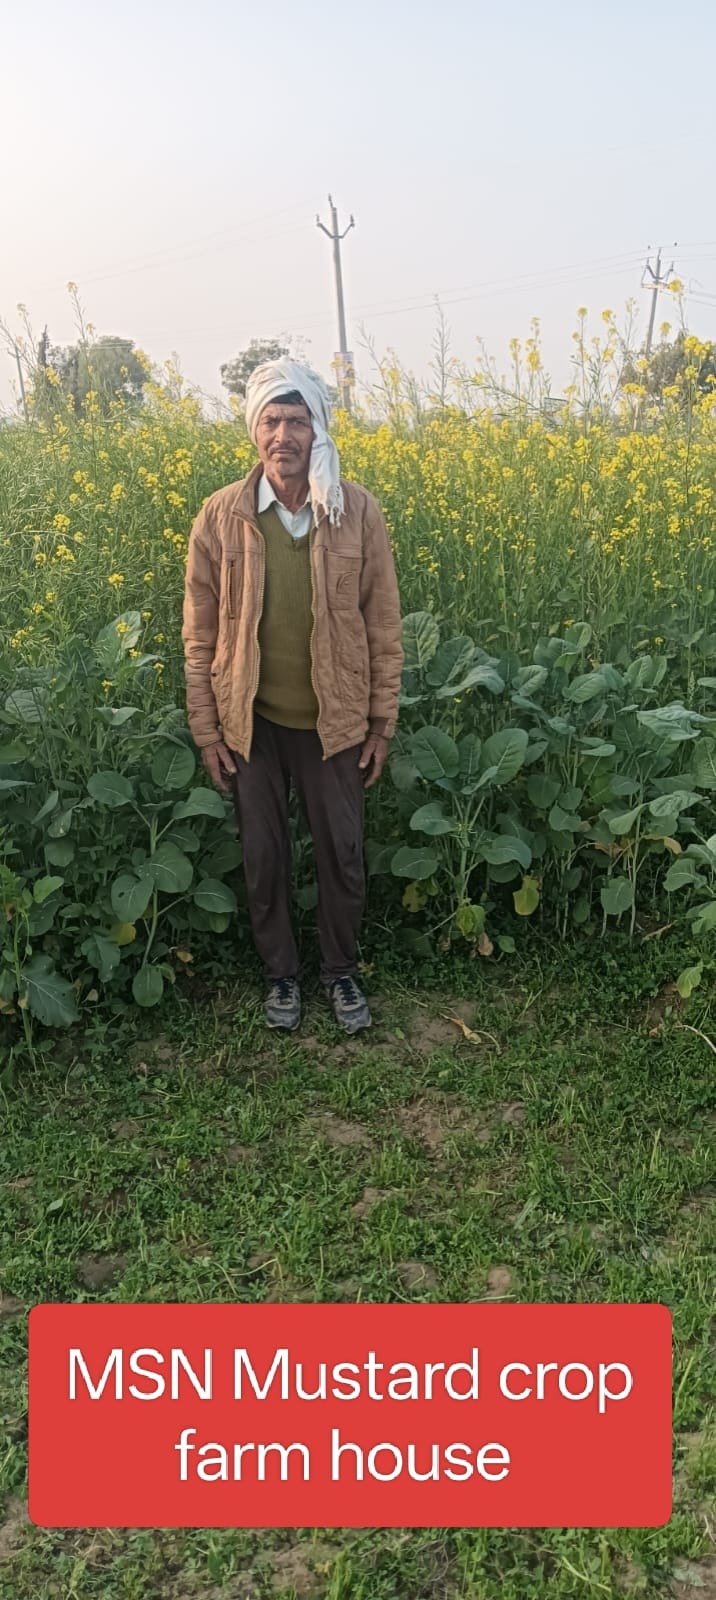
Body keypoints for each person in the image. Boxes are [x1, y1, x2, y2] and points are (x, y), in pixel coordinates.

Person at [182, 358, 403, 1035]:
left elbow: (382, 622)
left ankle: (339, 972)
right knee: (263, 856)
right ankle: (281, 976)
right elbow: (200, 631)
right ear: (255, 431)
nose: (284, 435)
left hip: (333, 722)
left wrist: (381, 720)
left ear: (318, 430)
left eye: (298, 421)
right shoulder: (222, 516)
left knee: (342, 852)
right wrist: (208, 730)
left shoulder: (356, 510)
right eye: (272, 421)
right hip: (252, 722)